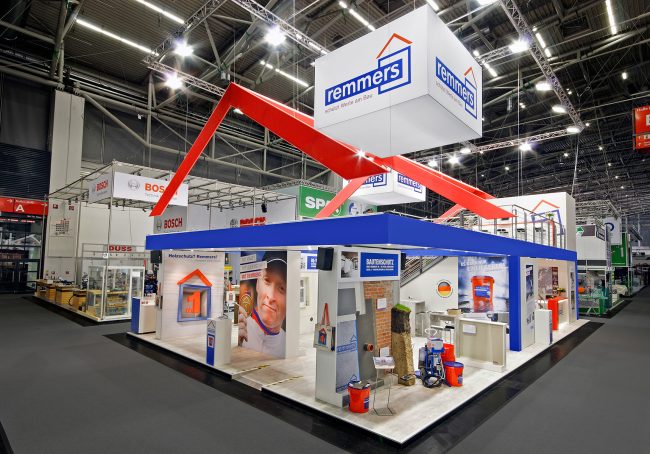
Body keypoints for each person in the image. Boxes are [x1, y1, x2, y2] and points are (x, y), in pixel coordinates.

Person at [238, 252, 287, 357]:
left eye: (282, 288)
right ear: (257, 284)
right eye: (267, 280)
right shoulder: (242, 329)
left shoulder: (287, 346)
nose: (271, 296)